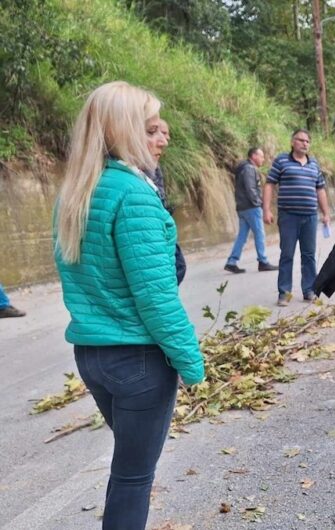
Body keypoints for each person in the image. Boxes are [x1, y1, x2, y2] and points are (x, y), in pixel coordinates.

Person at [53, 81, 204, 530]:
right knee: (133, 479)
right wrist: (192, 363)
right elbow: (156, 299)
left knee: (128, 470)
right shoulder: (133, 194)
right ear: (124, 131)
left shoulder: (76, 192)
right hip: (138, 359)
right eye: (151, 127)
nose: (164, 137)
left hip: (93, 356)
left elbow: (77, 276)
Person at [263, 129, 331, 306]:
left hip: (310, 216)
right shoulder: (281, 161)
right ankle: (284, 293)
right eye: (301, 140)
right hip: (288, 216)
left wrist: (326, 213)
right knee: (287, 254)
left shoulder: (314, 164)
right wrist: (267, 209)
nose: (304, 144)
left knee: (309, 255)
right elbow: (270, 184)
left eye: (307, 141)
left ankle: (309, 290)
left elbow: (320, 190)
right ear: (293, 142)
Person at [142, 119, 186, 284]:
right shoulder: (136, 180)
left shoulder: (153, 165)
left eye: (165, 134)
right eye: (153, 131)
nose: (165, 141)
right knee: (177, 267)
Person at [225, 147, 276, 273]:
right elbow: (251, 189)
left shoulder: (243, 168)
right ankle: (263, 261)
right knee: (259, 234)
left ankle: (231, 262)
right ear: (253, 156)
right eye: (261, 156)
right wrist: (259, 204)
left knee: (242, 236)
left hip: (242, 207)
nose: (263, 159)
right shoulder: (249, 169)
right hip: (251, 207)